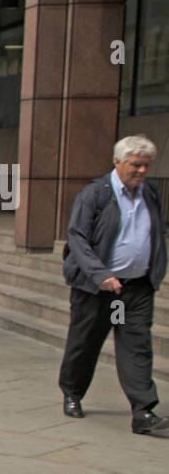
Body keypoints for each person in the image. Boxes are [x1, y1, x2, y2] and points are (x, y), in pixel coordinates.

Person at [58, 136, 167, 434]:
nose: (142, 170)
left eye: (146, 165)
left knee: (136, 345)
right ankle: (72, 392)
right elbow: (77, 239)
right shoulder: (96, 194)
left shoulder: (150, 193)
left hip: (135, 289)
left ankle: (143, 411)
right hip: (97, 289)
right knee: (86, 343)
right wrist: (99, 274)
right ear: (117, 162)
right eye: (136, 164)